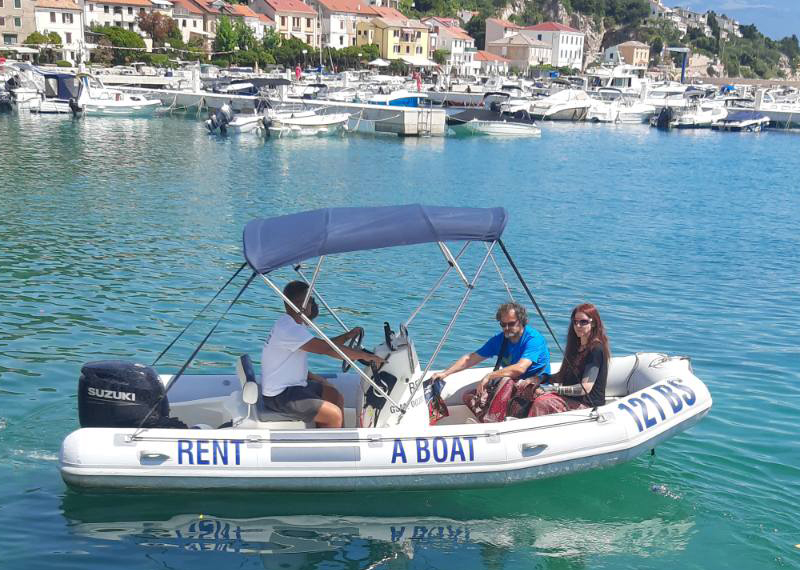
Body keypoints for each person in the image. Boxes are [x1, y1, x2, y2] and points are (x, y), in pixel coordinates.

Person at [260, 280, 384, 428]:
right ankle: (333, 441)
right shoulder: (290, 330)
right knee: (334, 414)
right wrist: (364, 356)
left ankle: (332, 434)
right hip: (280, 396)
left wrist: (346, 337)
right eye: (311, 300)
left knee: (335, 396)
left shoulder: (289, 323)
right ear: (301, 304)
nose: (314, 304)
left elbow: (323, 346)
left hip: (292, 387)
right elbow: (327, 349)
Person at [431, 301, 550, 397]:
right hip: (513, 382)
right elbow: (470, 359)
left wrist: (490, 375)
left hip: (537, 382)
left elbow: (520, 368)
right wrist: (445, 373)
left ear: (522, 321)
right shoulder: (499, 340)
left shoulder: (533, 339)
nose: (506, 328)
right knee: (470, 396)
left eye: (511, 324)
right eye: (503, 324)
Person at [527, 303, 610, 416]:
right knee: (529, 392)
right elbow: (563, 376)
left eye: (583, 322)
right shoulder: (576, 347)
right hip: (569, 398)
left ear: (594, 323)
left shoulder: (596, 349)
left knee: (542, 403)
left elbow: (585, 388)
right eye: (575, 322)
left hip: (587, 405)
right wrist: (541, 378)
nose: (578, 325)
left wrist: (554, 390)